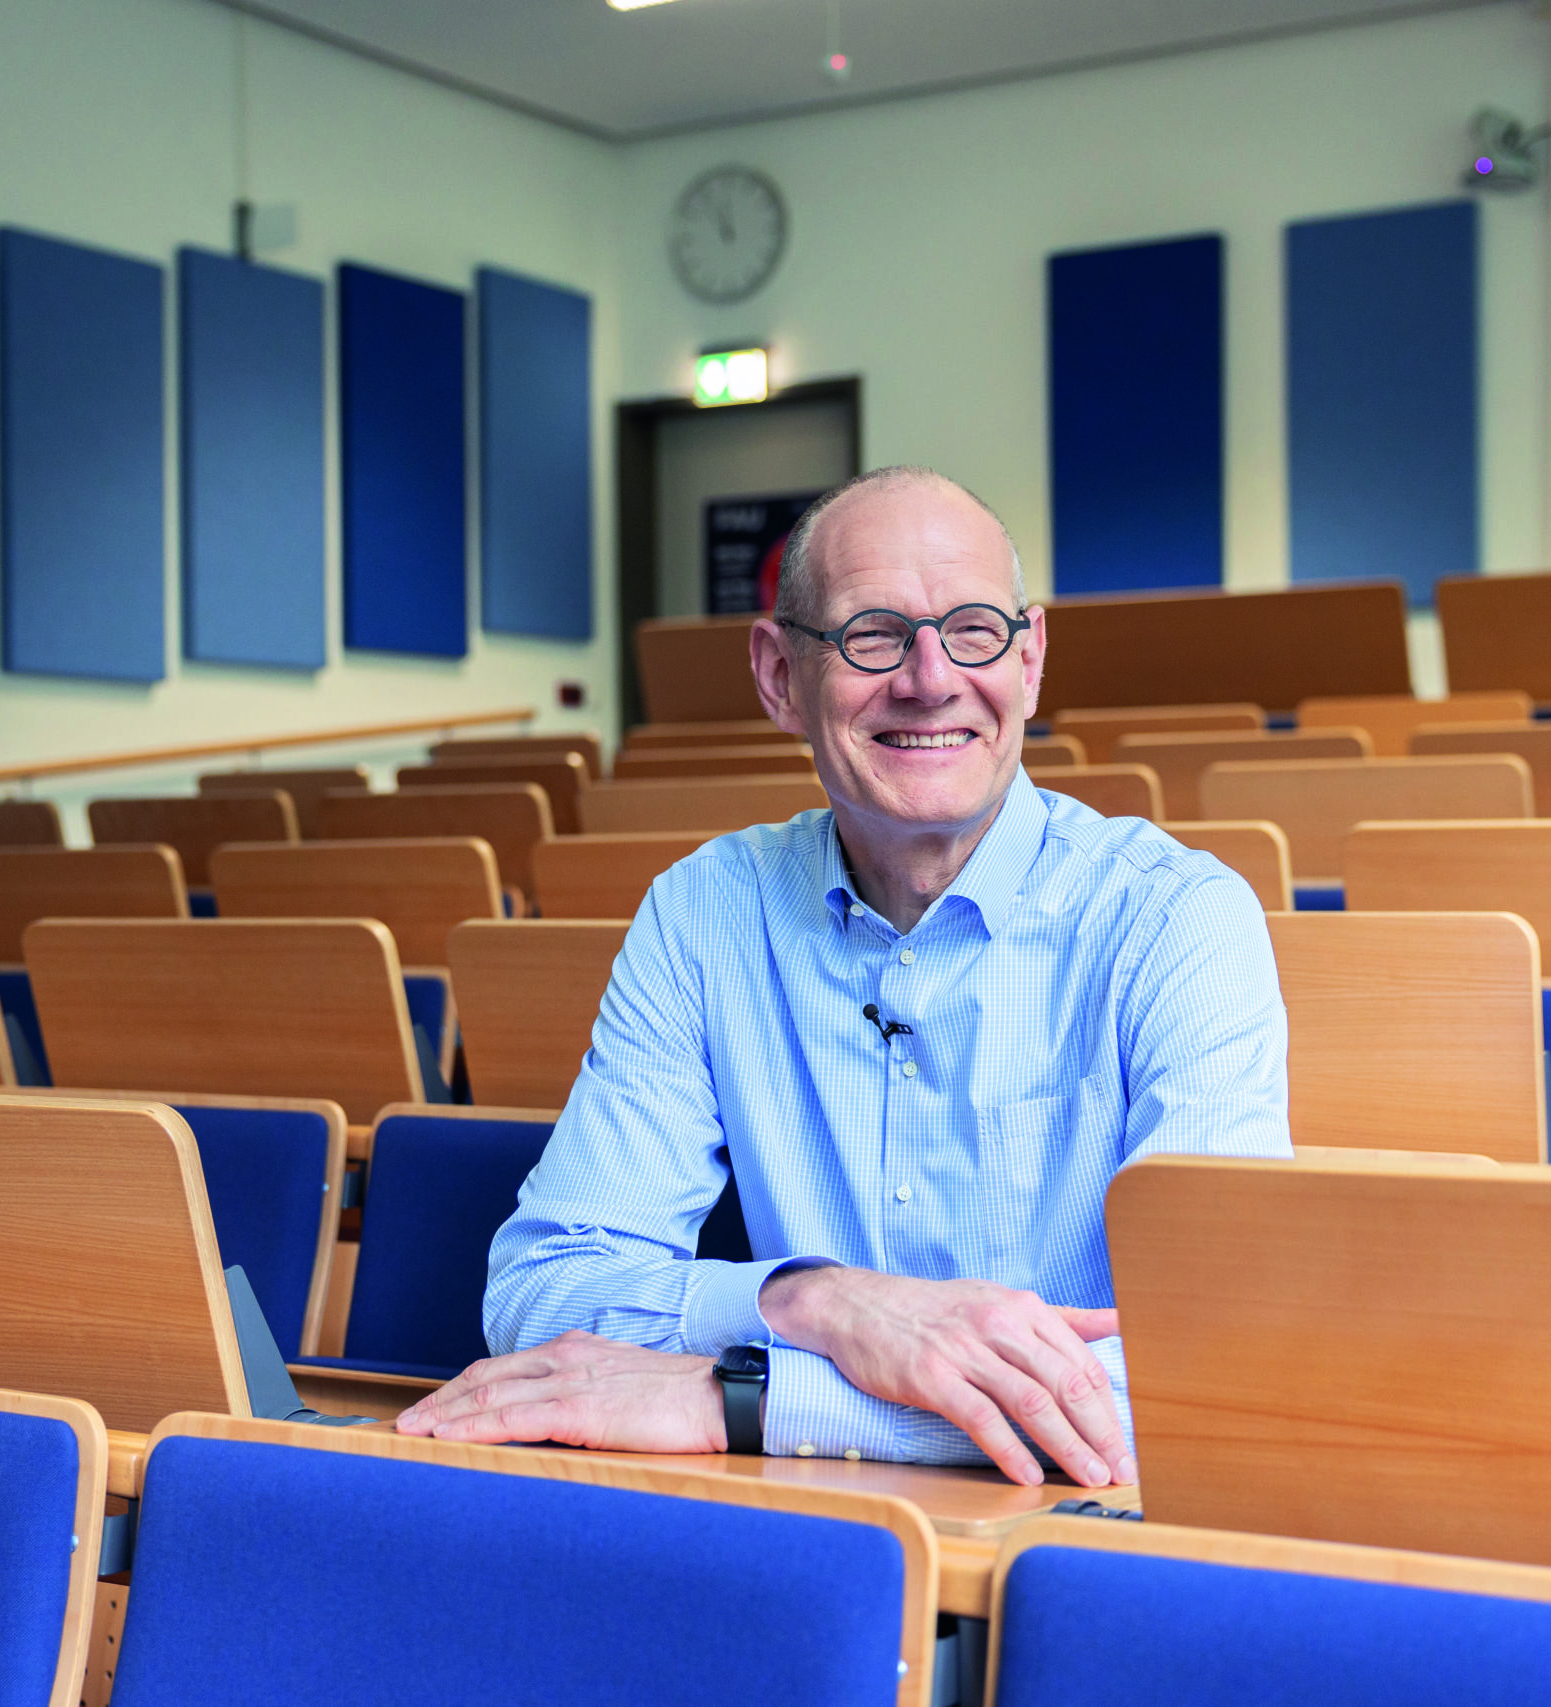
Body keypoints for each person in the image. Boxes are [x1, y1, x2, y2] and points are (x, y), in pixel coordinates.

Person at [396, 465, 1290, 1487]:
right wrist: (811, 1301)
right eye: (873, 634)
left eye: (974, 630)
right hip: (803, 1519)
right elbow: (543, 1288)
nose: (930, 678)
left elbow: (1208, 1368)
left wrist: (739, 1398)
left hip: (1082, 1529)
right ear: (780, 676)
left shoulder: (1177, 920)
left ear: (1029, 660)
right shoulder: (704, 913)